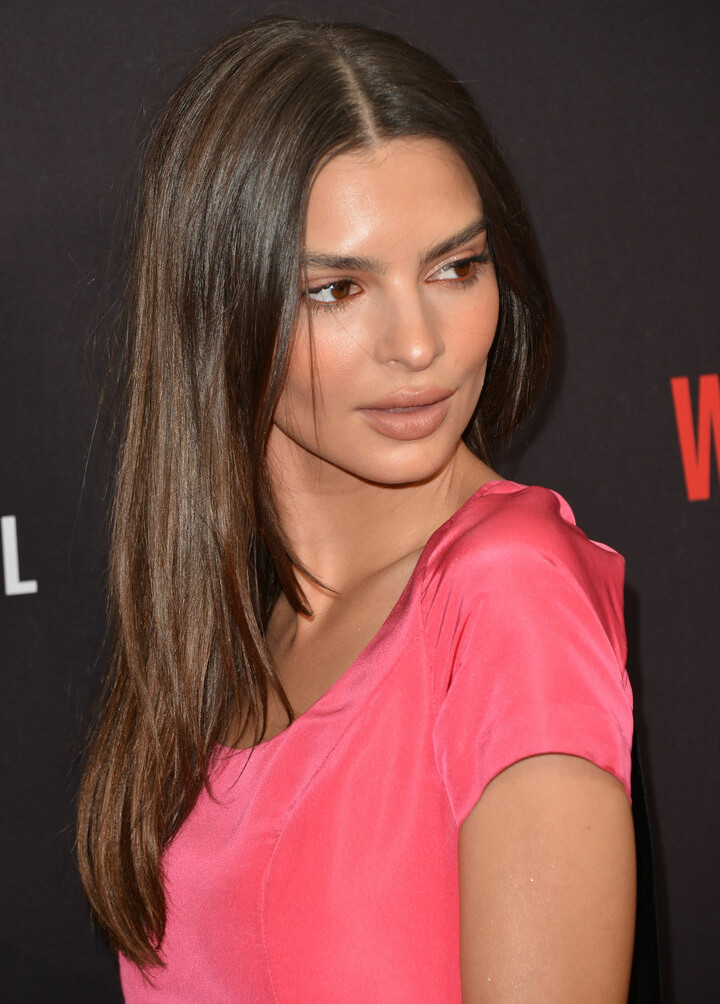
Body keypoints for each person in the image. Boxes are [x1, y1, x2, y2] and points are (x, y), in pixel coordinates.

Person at [76, 15, 637, 1003]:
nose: (418, 344)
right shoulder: (242, 635)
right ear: (220, 306)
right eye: (338, 288)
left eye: (455, 268)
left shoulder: (508, 596)